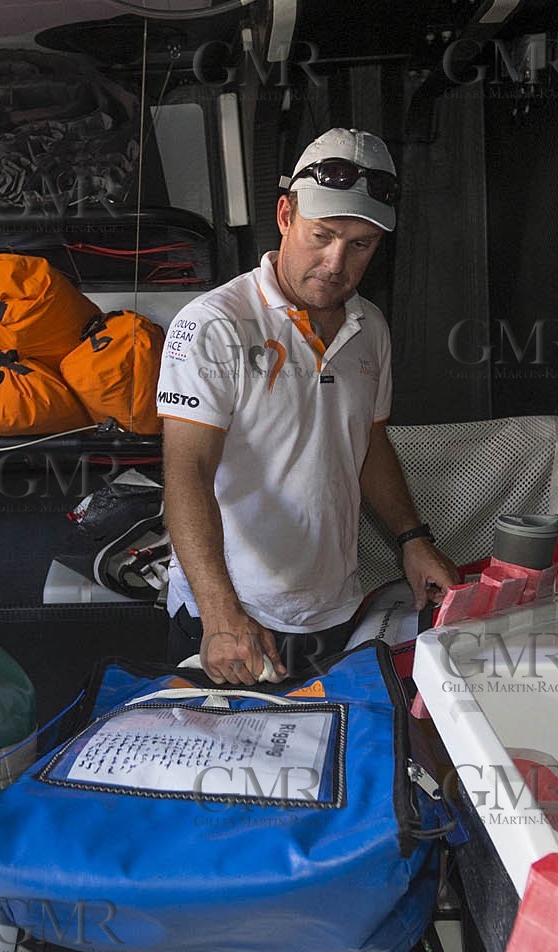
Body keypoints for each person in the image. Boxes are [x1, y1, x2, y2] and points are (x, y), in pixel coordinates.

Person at [157, 127, 458, 686]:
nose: (336, 262)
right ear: (284, 215)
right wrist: (222, 613)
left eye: (361, 244)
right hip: (235, 617)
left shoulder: (371, 328)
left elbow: (366, 444)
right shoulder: (213, 325)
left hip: (333, 608)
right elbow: (186, 472)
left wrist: (414, 541)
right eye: (322, 235)